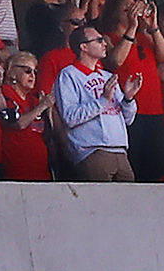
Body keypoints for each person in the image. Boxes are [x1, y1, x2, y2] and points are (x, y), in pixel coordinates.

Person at [52, 23, 137, 181]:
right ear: (83, 47)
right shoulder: (69, 75)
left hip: (120, 150)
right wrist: (103, 101)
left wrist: (128, 98)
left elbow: (128, 119)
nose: (105, 43)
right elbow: (70, 117)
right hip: (92, 151)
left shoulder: (107, 76)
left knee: (128, 202)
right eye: (99, 40)